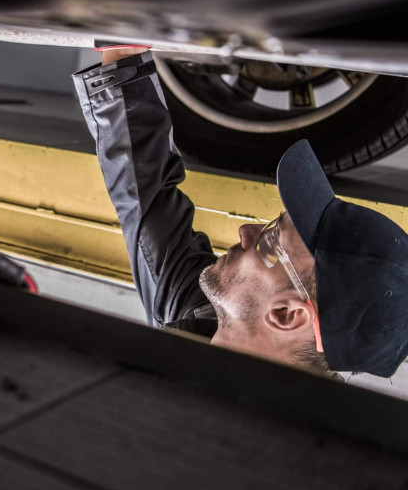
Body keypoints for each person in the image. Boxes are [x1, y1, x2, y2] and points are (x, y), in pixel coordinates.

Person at [73, 46, 408, 378]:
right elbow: (145, 191)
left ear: (286, 315)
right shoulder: (202, 318)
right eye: (272, 228)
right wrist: (122, 50)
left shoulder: (191, 418)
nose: (246, 231)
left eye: (271, 243)